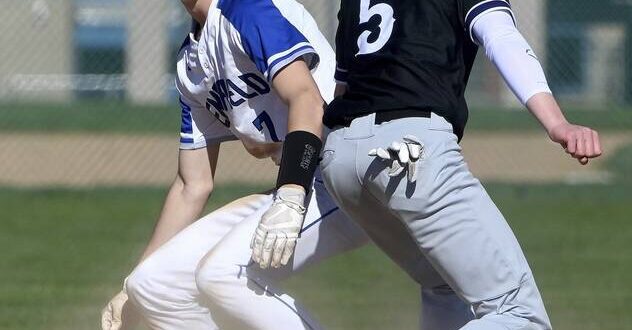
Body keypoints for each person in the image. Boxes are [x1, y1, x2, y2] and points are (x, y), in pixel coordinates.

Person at [102, 0, 474, 329]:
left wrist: (290, 195)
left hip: (348, 169)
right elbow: (191, 185)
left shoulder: (247, 10)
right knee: (152, 284)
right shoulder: (191, 65)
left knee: (222, 274)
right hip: (302, 185)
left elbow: (307, 101)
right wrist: (128, 289)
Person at [318, 0, 603, 329]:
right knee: (518, 314)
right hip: (409, 149)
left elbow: (343, 88)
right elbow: (500, 37)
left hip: (342, 157)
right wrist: (557, 124)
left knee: (446, 284)